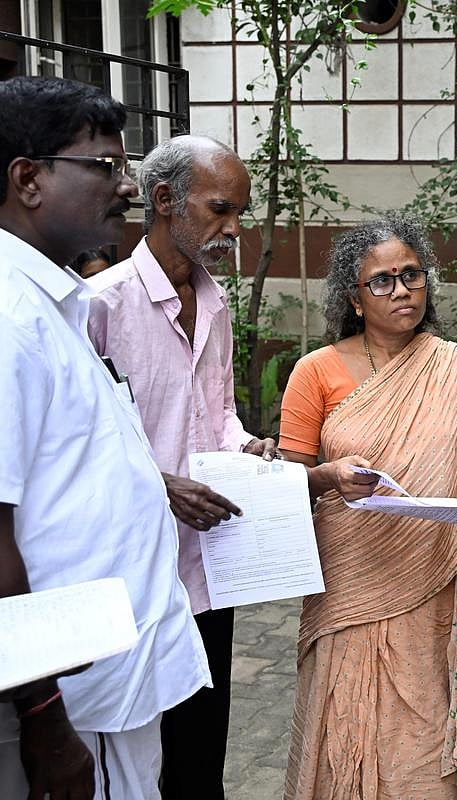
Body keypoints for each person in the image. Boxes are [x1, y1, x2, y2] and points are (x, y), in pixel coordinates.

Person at [0, 76, 209, 799]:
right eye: (104, 166)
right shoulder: (9, 319)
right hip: (64, 703)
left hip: (111, 685)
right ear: (28, 178)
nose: (126, 187)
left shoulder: (52, 303)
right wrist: (43, 717)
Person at [278, 212, 457, 800]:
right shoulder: (315, 372)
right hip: (350, 589)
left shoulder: (453, 367)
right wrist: (328, 477)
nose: (402, 290)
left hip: (433, 588)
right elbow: (285, 481)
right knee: (349, 732)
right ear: (354, 299)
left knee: (423, 743)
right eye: (381, 280)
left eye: (412, 275)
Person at [85, 134, 279, 798]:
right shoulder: (100, 305)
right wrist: (159, 486)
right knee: (133, 758)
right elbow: (78, 446)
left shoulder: (215, 304)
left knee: (201, 756)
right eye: (221, 209)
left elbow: (217, 413)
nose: (234, 230)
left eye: (240, 213)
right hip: (131, 573)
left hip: (206, 565)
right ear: (165, 200)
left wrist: (246, 447)